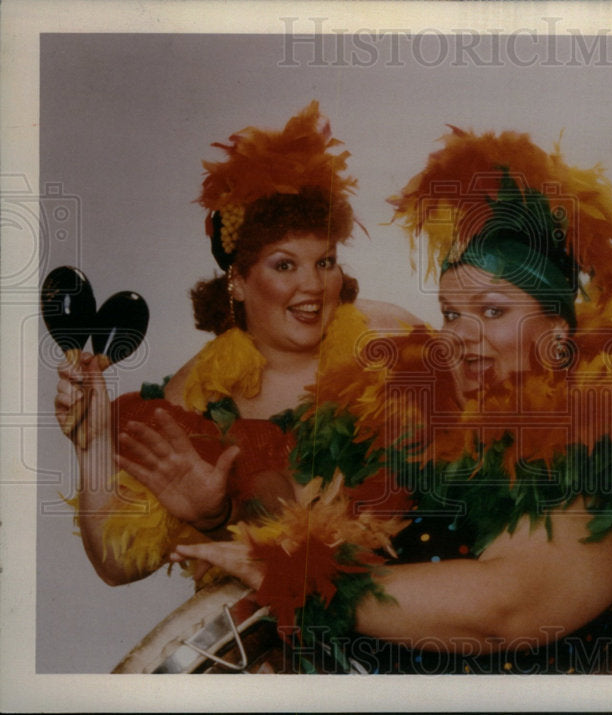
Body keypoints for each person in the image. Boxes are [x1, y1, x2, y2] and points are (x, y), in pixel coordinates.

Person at [173, 128, 612, 674]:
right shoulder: (408, 420)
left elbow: (506, 607)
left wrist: (295, 585)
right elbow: (304, 514)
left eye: (494, 311)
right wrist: (219, 510)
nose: (462, 334)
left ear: (557, 331)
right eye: (453, 314)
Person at [55, 102, 417, 586]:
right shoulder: (198, 397)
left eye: (325, 261)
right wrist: (95, 446)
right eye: (284, 265)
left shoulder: (388, 336)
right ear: (239, 281)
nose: (313, 285)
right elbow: (118, 566)